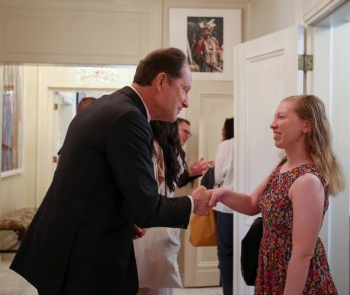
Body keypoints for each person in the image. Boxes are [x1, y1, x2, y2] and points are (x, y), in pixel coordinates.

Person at [10, 47, 211, 295]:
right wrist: (193, 203)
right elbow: (146, 207)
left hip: (68, 243)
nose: (186, 101)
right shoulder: (129, 118)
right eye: (185, 89)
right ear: (161, 81)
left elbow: (92, 181)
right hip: (83, 255)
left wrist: (121, 216)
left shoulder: (109, 105)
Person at [209, 95, 345, 294]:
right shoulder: (283, 166)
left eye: (281, 117)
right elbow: (251, 203)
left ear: (306, 125)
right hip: (272, 268)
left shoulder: (307, 180)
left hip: (295, 278)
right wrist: (219, 194)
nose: (273, 124)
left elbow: (303, 253)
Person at [134, 121, 185, 295]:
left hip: (148, 223)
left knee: (142, 284)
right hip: (164, 223)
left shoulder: (151, 149)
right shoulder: (172, 152)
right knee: (160, 284)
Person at [213, 117, 234, 295]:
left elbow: (218, 177)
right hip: (249, 211)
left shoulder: (226, 145)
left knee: (226, 254)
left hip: (227, 208)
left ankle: (229, 291)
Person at [176, 117, 212, 188]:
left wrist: (192, 172)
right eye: (185, 131)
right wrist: (189, 173)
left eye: (189, 133)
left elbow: (178, 183)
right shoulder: (161, 149)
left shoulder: (181, 153)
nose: (188, 135)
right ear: (173, 129)